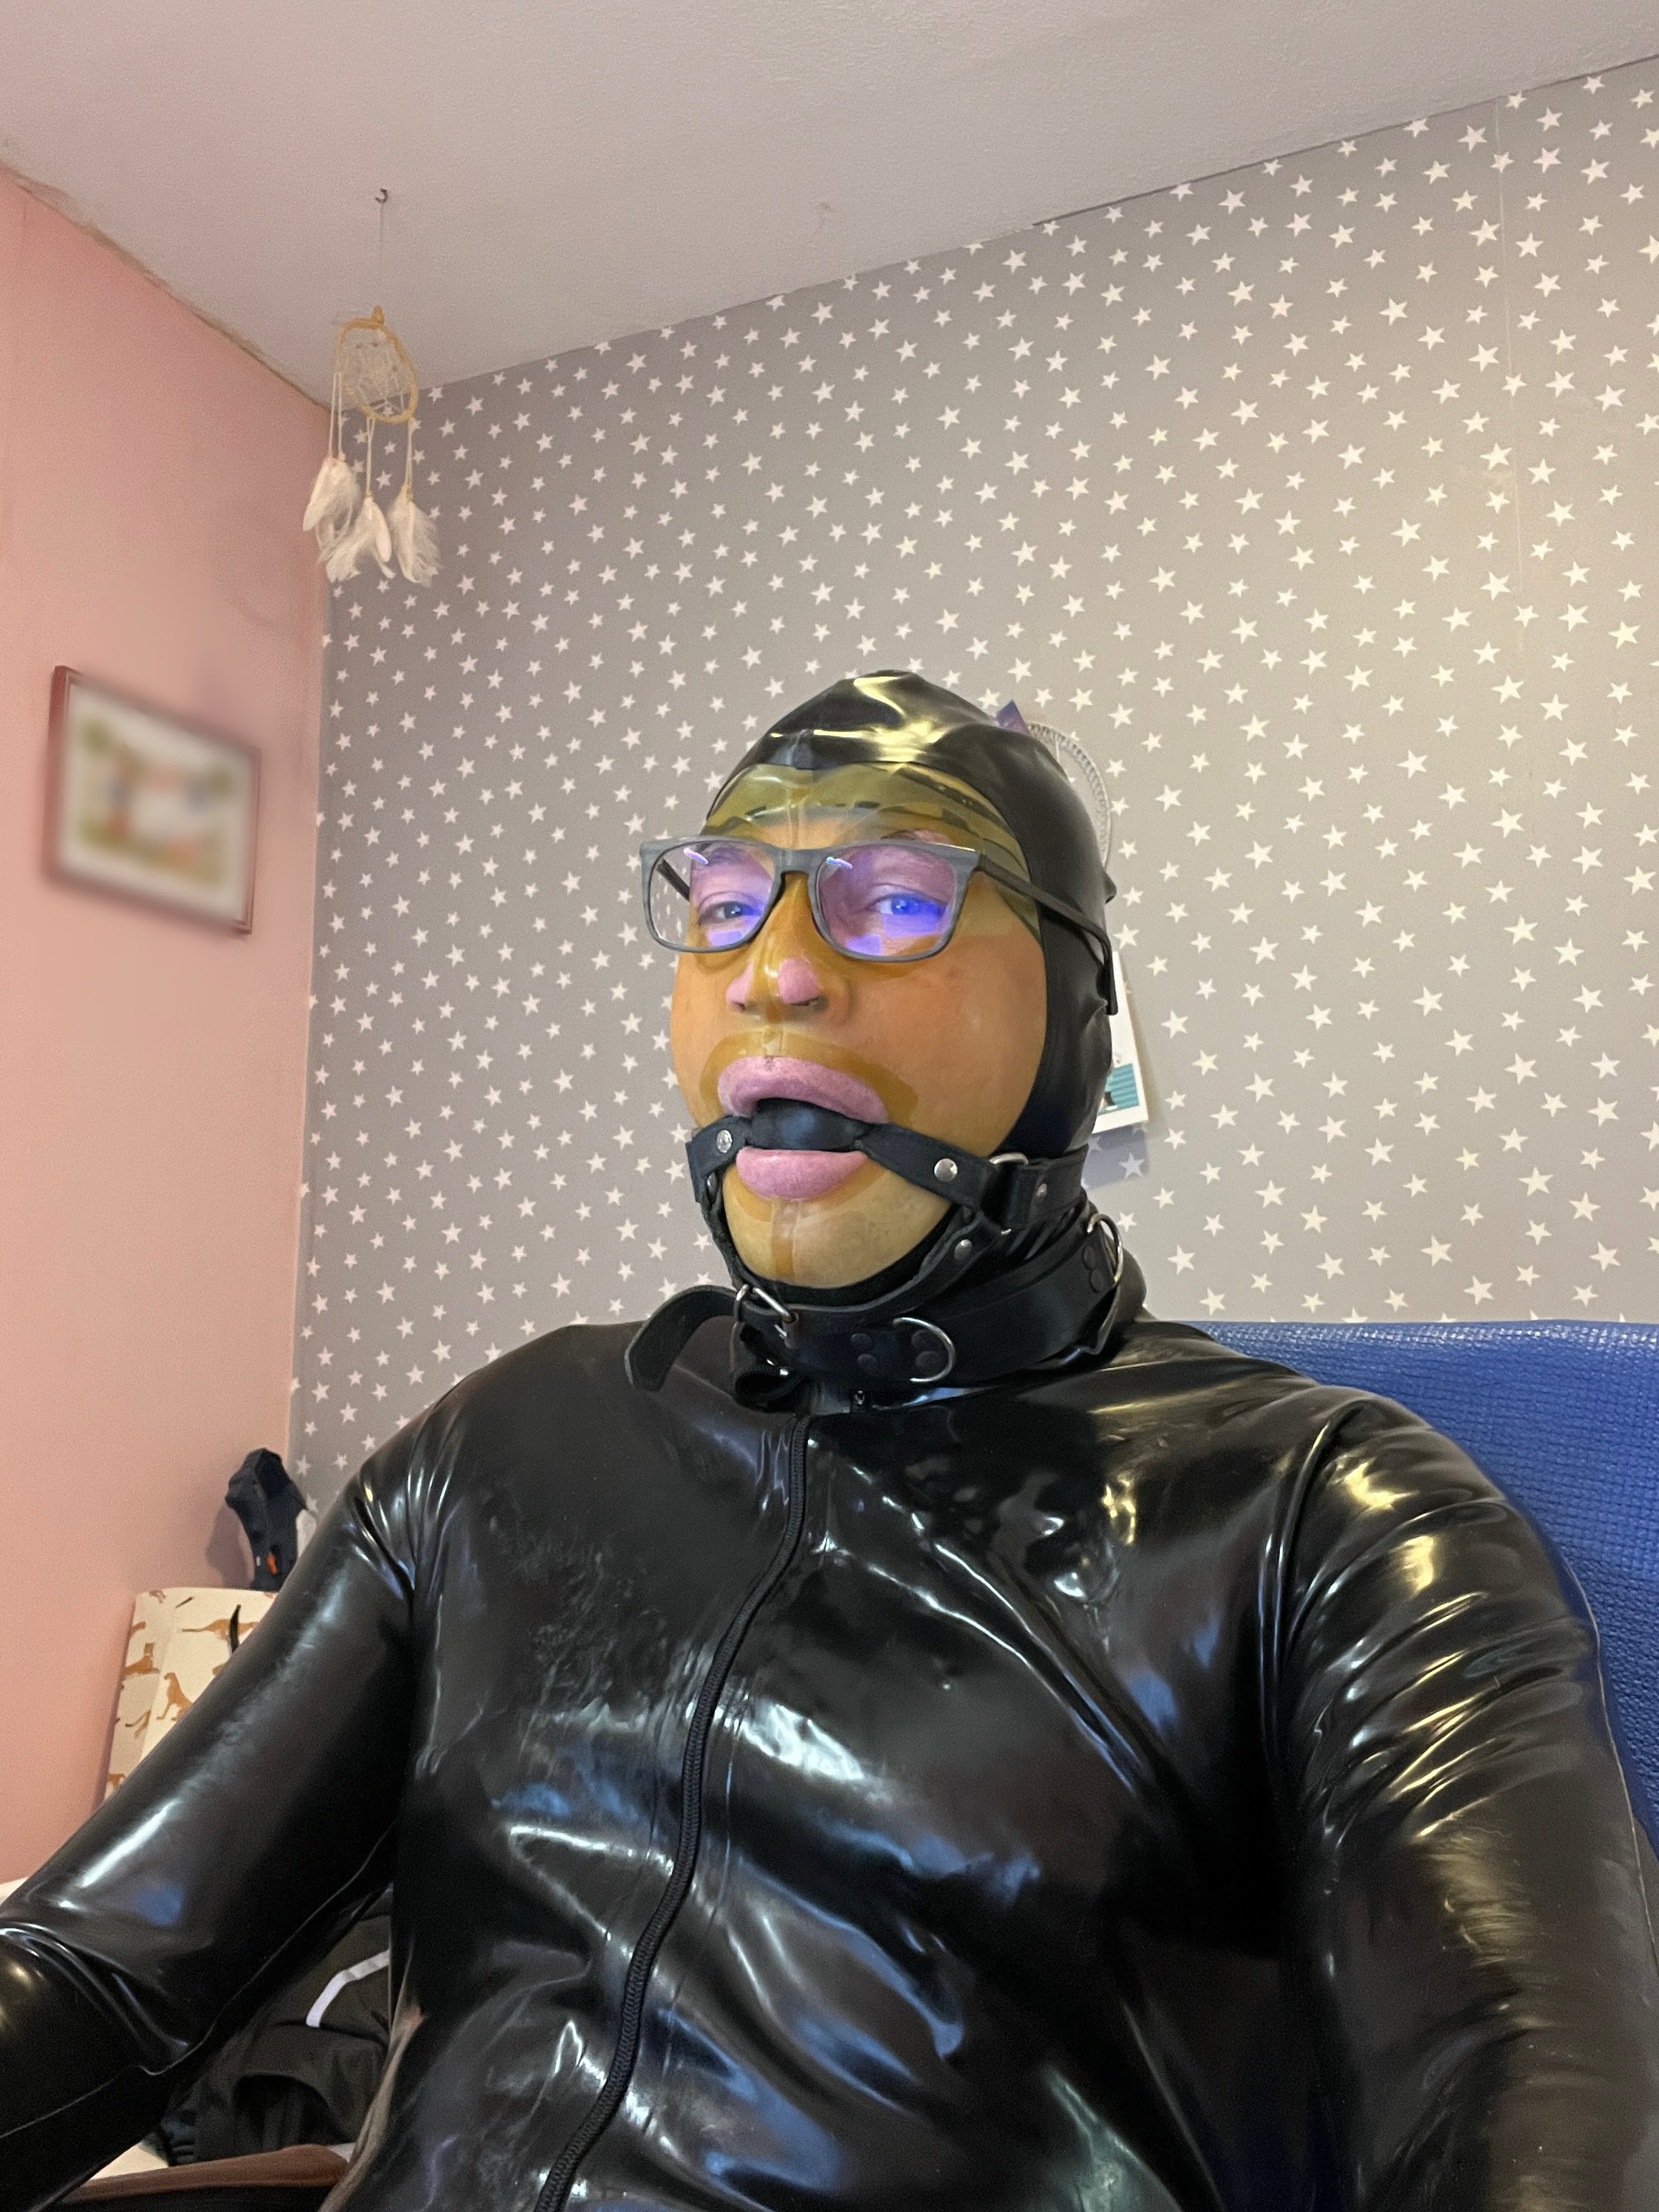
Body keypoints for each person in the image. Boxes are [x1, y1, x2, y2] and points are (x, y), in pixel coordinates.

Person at [2, 670, 1656, 2211]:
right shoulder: (501, 1447)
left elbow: (1536, 2123)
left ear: (1078, 1009)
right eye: (726, 902)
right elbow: (102, 1968)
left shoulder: (1328, 1517)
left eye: (898, 899)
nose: (775, 970)